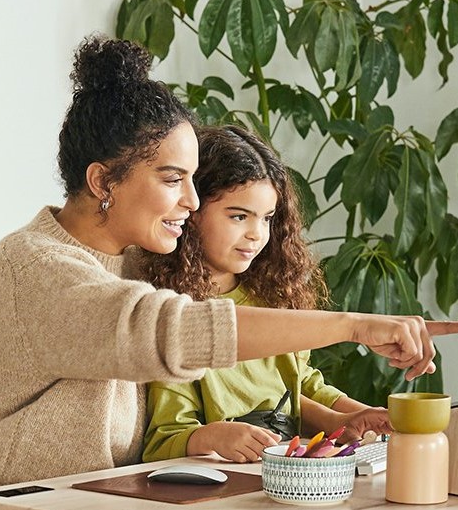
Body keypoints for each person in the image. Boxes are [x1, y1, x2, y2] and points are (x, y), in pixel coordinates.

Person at [0, 35, 458, 491]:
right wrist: (356, 325)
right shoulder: (35, 268)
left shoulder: (132, 261)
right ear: (102, 181)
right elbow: (173, 330)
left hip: (116, 490)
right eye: (171, 179)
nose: (191, 201)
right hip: (32, 497)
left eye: (192, 180)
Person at [141, 125, 392, 463]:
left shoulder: (270, 297)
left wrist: (351, 417)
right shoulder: (178, 315)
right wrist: (213, 435)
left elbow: (301, 386)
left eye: (267, 219)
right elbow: (164, 440)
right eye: (239, 216)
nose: (256, 235)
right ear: (193, 212)